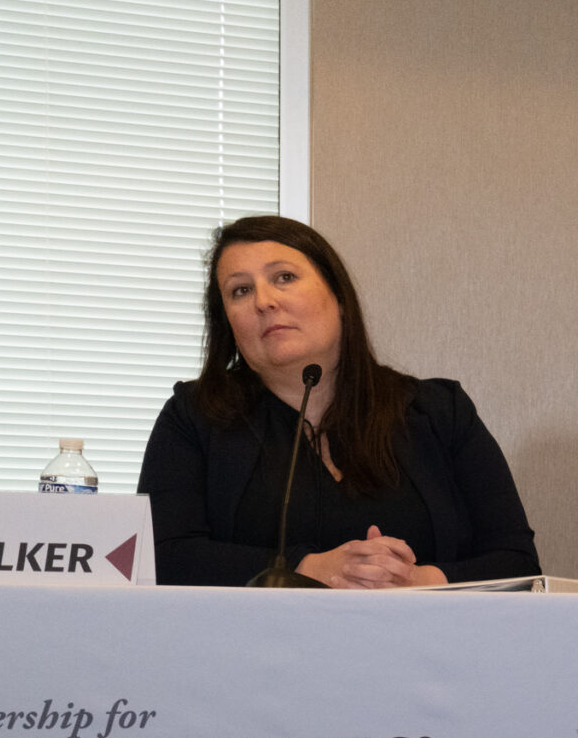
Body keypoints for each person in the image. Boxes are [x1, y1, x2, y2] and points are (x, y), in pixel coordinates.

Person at [140, 216, 540, 588]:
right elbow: (160, 557)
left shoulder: (439, 411)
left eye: (284, 277)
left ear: (338, 295)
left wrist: (416, 580)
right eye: (240, 290)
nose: (264, 301)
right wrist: (307, 568)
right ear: (227, 320)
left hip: (422, 651)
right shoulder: (194, 417)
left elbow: (519, 563)